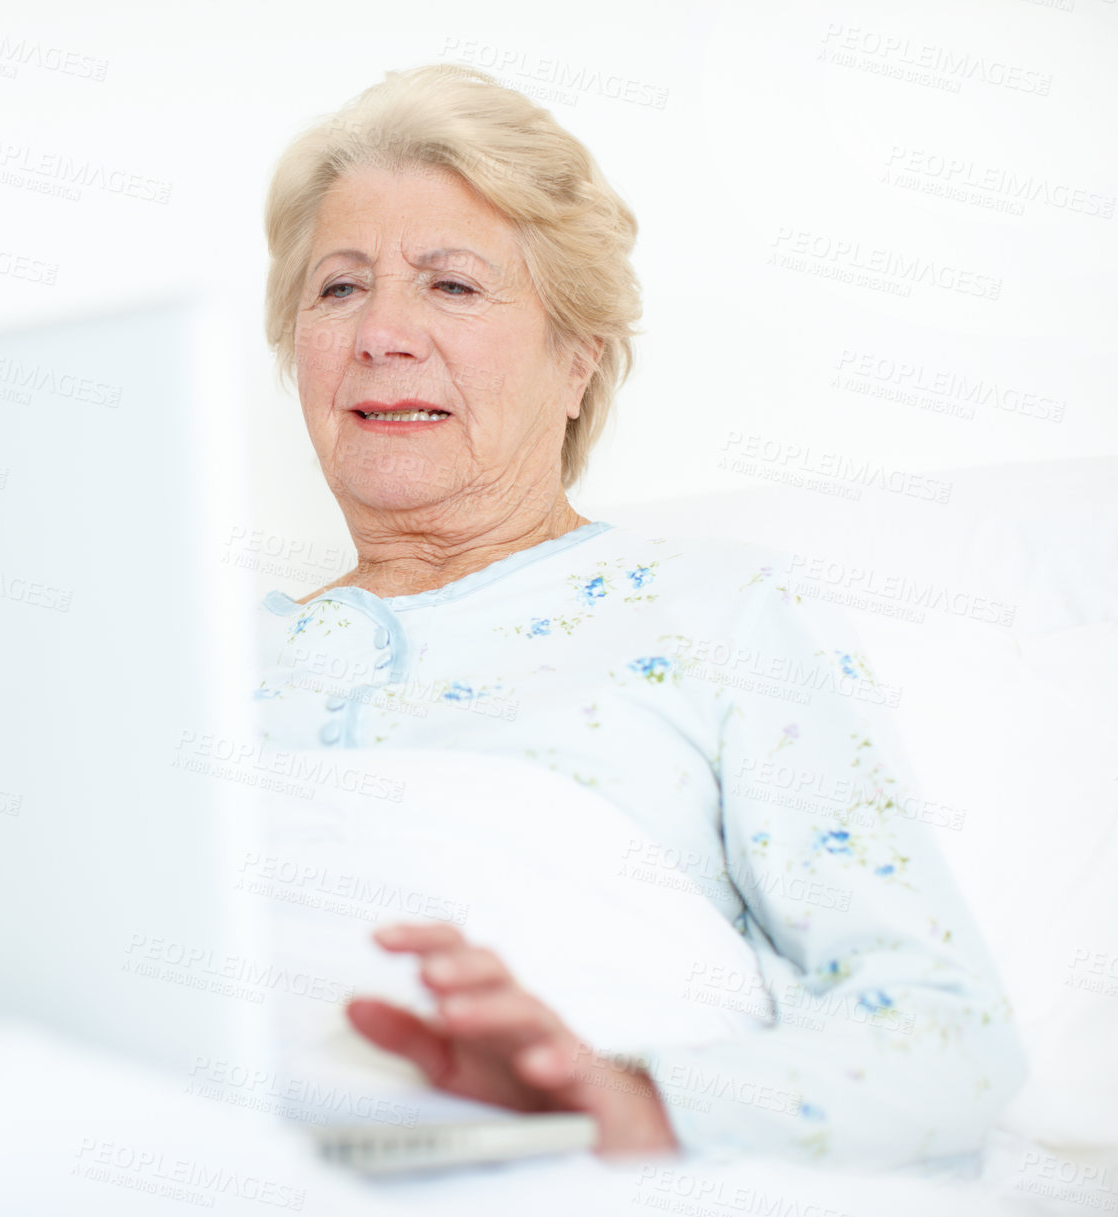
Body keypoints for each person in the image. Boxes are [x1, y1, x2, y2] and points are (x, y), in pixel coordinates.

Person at [250, 63, 1027, 1166]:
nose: (381, 331)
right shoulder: (187, 651)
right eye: (337, 288)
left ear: (579, 361)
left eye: (452, 285)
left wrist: (631, 1102)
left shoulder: (715, 615)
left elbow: (938, 1029)